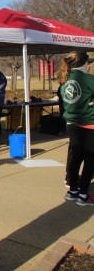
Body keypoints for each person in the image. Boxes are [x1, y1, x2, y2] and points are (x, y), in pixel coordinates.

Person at [58, 52, 94, 206]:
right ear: (83, 64)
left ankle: (73, 190)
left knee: (75, 157)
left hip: (71, 123)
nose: (90, 65)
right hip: (89, 122)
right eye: (88, 62)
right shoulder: (88, 78)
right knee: (90, 160)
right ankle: (83, 194)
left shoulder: (64, 79)